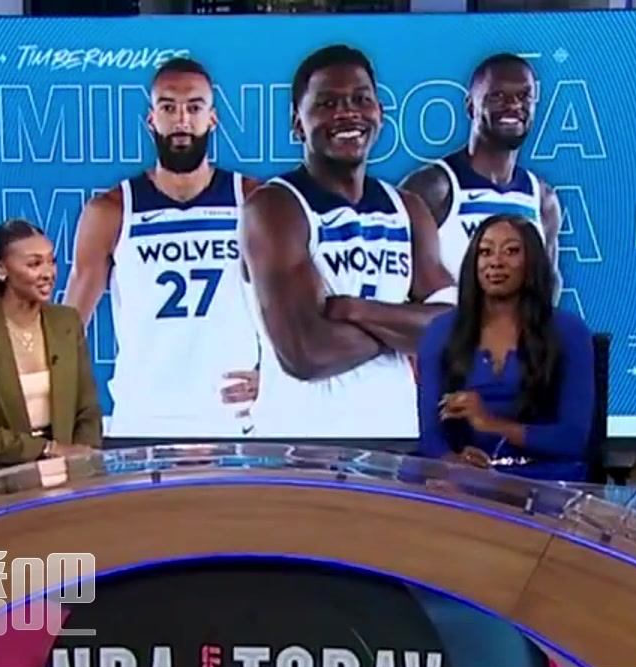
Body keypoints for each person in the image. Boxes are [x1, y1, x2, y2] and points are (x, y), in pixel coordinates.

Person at [241, 44, 456, 440]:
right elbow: (306, 352)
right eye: (327, 103)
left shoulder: (408, 208)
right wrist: (405, 330)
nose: (347, 113)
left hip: (395, 441)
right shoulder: (275, 207)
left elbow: (456, 331)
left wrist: (356, 310)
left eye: (361, 99)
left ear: (380, 113)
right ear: (297, 123)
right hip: (300, 448)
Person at [65, 57, 263, 439]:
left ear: (213, 119)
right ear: (151, 119)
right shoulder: (112, 209)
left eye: (194, 107)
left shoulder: (253, 201)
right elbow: (67, 328)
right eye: (168, 107)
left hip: (234, 419)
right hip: (142, 420)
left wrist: (276, 377)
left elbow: (297, 304)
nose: (182, 120)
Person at [416, 215, 594, 482]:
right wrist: (452, 463)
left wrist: (491, 423)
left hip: (545, 481)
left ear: (532, 262)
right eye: (485, 252)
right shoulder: (441, 331)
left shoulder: (569, 332)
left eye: (511, 251)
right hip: (465, 481)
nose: (496, 262)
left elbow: (573, 439)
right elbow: (430, 437)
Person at [0, 219, 102, 475]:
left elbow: (88, 408)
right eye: (34, 264)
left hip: (66, 471)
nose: (48, 273)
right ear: (1, 269)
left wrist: (82, 456)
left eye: (51, 261)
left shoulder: (67, 322)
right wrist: (50, 450)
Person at [401, 53, 564, 298]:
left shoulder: (542, 200)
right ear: (471, 106)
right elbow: (397, 285)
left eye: (524, 96)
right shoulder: (433, 188)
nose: (514, 105)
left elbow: (548, 285)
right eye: (497, 96)